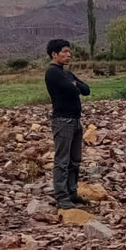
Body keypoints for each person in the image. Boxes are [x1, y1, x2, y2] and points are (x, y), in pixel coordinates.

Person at [44, 38, 91, 210]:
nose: (68, 55)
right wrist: (75, 86)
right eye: (65, 52)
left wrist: (75, 84)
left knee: (75, 160)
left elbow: (86, 90)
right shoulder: (52, 72)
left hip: (75, 120)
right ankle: (62, 197)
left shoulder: (67, 73)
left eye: (69, 52)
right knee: (62, 161)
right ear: (54, 54)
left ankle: (72, 192)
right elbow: (73, 90)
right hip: (63, 121)